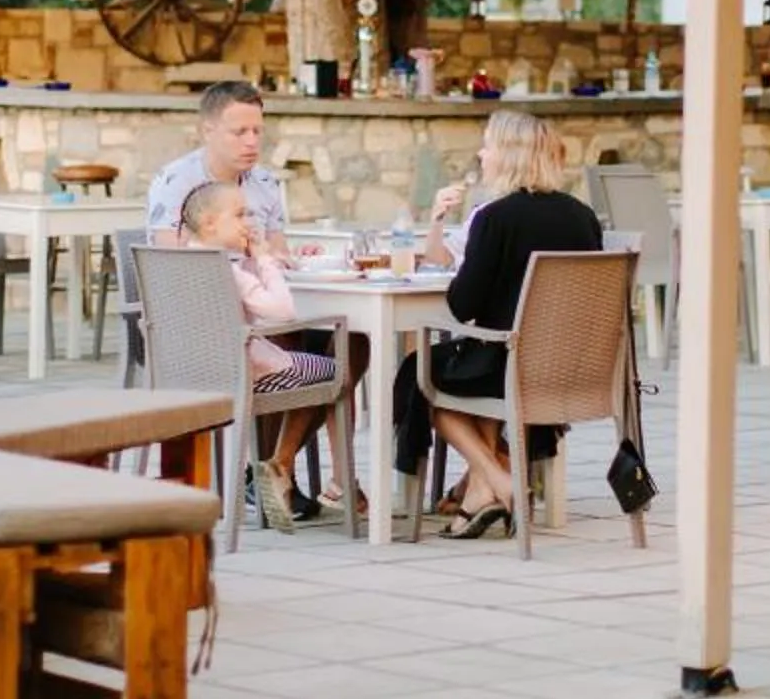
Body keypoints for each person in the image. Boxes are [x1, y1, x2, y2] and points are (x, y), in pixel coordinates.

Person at [393, 110, 603, 540]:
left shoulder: (496, 218)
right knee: (471, 363)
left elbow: (462, 305)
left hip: (510, 364)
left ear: (507, 155)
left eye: (487, 145)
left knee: (419, 373)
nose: (481, 154)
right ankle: (478, 493)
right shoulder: (582, 217)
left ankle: (499, 481)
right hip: (573, 367)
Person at [177, 180, 342, 532]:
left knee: (312, 367)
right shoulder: (228, 271)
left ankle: (275, 465)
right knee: (335, 370)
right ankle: (277, 465)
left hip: (190, 374)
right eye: (239, 214)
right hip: (248, 373)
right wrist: (264, 258)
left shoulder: (183, 262)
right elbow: (282, 311)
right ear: (209, 223)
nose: (248, 222)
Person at [145, 80, 289, 240]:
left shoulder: (265, 182)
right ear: (208, 131)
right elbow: (170, 259)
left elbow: (279, 253)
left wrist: (303, 257)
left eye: (257, 131)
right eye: (239, 132)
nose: (252, 142)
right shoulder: (175, 181)